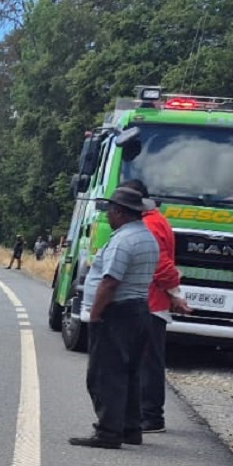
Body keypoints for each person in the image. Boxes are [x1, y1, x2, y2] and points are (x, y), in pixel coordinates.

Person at [69, 186, 159, 449]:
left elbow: (110, 282)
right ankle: (131, 428)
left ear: (120, 212)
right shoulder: (146, 237)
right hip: (140, 310)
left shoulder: (123, 241)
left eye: (111, 210)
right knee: (130, 373)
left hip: (117, 312)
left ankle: (108, 432)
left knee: (105, 374)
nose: (108, 214)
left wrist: (95, 315)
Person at [121, 179, 192, 433]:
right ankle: (147, 414)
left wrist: (175, 292)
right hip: (154, 301)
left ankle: (150, 416)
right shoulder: (158, 220)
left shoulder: (149, 225)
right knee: (147, 360)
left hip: (149, 302)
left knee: (147, 362)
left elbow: (161, 265)